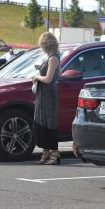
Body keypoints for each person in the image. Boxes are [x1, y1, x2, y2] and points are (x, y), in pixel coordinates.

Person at [32, 32, 60, 165]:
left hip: (49, 94)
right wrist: (40, 69)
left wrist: (37, 77)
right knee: (42, 121)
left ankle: (54, 154)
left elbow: (48, 79)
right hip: (43, 94)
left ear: (46, 45)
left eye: (42, 44)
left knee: (49, 122)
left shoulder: (53, 58)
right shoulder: (48, 57)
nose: (41, 47)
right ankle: (46, 152)